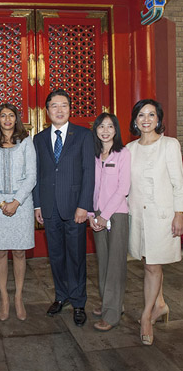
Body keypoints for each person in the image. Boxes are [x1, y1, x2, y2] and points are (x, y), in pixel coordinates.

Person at [33, 89, 94, 327]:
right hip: (49, 208)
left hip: (75, 208)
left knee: (76, 256)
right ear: (47, 112)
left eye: (64, 105)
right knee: (56, 255)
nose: (59, 110)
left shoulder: (83, 135)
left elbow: (89, 173)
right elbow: (37, 175)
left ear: (70, 109)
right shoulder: (39, 138)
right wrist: (37, 204)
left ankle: (79, 301)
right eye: (54, 106)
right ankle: (61, 296)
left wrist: (84, 206)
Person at [127, 99, 183, 346]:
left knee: (152, 266)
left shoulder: (170, 145)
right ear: (135, 120)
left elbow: (178, 183)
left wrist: (180, 213)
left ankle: (146, 316)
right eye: (141, 115)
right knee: (147, 261)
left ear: (158, 119)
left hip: (162, 217)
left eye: (151, 115)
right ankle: (160, 304)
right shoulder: (129, 149)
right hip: (137, 215)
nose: (146, 119)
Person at [0, 104, 36, 321]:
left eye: (11, 115)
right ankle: (4, 298)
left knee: (20, 252)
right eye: (3, 116)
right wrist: (2, 203)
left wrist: (16, 201)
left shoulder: (26, 142)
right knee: (1, 252)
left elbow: (32, 176)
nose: (7, 119)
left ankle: (18, 297)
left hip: (21, 204)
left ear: (16, 118)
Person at [88, 113, 130, 332]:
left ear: (116, 130)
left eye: (110, 126)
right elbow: (90, 186)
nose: (105, 130)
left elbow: (123, 188)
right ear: (96, 130)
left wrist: (105, 216)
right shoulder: (94, 155)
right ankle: (110, 303)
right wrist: (91, 215)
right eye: (101, 126)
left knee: (115, 265)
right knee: (103, 262)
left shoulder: (123, 153)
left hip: (116, 215)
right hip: (96, 215)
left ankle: (112, 315)